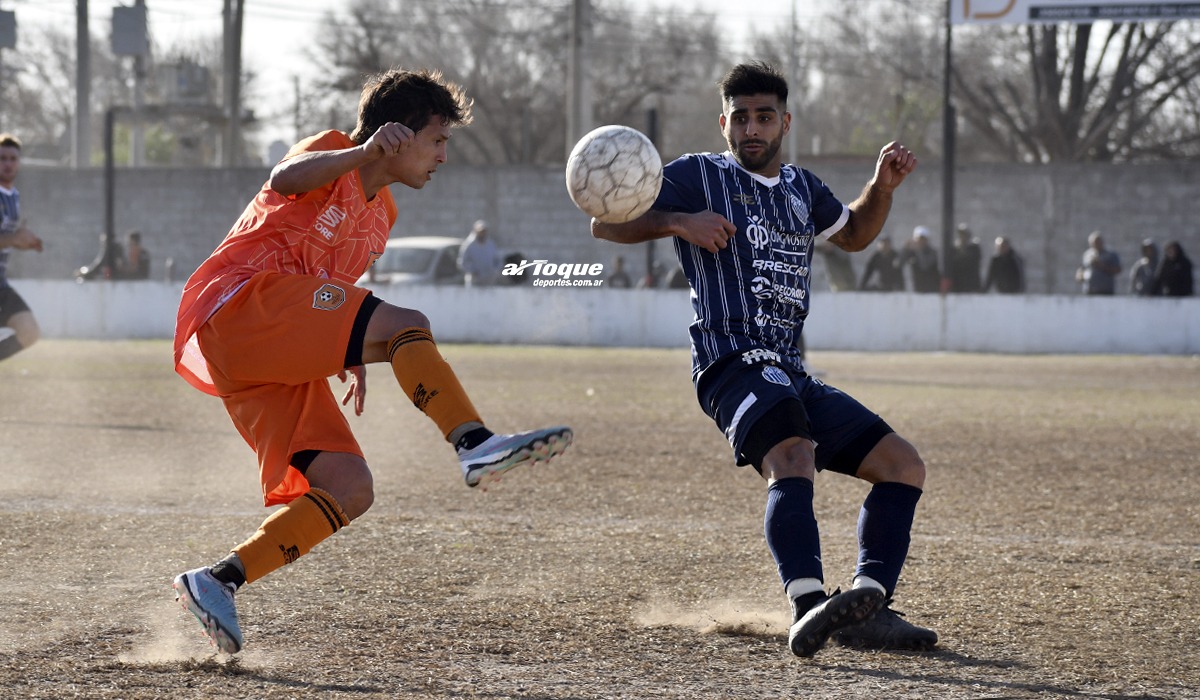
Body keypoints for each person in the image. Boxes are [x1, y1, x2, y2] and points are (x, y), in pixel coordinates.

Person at [170, 68, 572, 655]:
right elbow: (284, 177)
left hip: (270, 345)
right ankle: (474, 443)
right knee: (410, 323)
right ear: (397, 135)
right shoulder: (332, 150)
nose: (442, 156)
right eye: (437, 140)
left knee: (350, 487)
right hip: (238, 306)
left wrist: (348, 349)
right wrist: (360, 150)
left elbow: (327, 284)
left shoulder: (385, 214)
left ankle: (216, 581)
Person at [591, 61, 936, 658]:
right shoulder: (697, 176)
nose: (752, 128)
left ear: (785, 122)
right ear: (723, 122)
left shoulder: (804, 189)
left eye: (764, 117)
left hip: (789, 368)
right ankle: (807, 608)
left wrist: (882, 186)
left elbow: (852, 235)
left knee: (903, 465)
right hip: (729, 362)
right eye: (741, 117)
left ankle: (867, 606)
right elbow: (605, 224)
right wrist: (679, 220)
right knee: (792, 458)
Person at [0, 133, 43, 363]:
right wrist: (15, 238)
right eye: (2, 158)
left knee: (29, 331)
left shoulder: (13, 196)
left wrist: (23, 243)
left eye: (12, 158)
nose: (8, 164)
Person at [457, 219, 503, 286]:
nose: (482, 234)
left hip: (489, 280)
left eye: (484, 232)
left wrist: (495, 271)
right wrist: (472, 271)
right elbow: (463, 262)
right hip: (474, 280)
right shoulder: (469, 245)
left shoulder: (490, 244)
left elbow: (497, 260)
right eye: (480, 232)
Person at [1076, 230, 1121, 295]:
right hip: (1089, 291)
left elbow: (1118, 269)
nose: (1096, 245)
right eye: (1093, 243)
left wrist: (1102, 266)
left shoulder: (1110, 255)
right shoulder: (1087, 255)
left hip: (1106, 291)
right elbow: (1081, 269)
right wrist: (1080, 276)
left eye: (1098, 242)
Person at [901, 226, 941, 293]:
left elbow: (924, 265)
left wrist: (918, 251)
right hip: (914, 289)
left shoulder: (932, 252)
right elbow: (899, 264)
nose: (920, 241)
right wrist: (905, 249)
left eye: (923, 239)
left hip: (931, 290)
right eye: (918, 239)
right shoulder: (911, 252)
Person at [947, 223, 982, 293]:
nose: (963, 237)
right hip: (957, 285)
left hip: (971, 285)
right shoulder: (954, 250)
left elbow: (975, 264)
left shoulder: (974, 249)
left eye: (965, 235)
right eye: (961, 234)